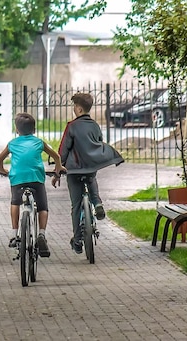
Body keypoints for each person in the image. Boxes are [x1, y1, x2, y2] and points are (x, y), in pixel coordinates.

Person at [54, 92, 124, 254]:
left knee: (76, 205)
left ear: (78, 109)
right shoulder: (95, 125)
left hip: (74, 170)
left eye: (74, 107)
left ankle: (77, 239)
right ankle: (97, 203)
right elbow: (98, 141)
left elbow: (63, 150)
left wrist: (58, 169)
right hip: (90, 167)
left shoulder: (71, 126)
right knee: (92, 180)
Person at [0, 113, 65, 258]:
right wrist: (58, 169)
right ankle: (41, 234)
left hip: (18, 179)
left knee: (15, 202)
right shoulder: (39, 142)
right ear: (34, 130)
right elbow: (56, 157)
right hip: (36, 179)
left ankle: (14, 234)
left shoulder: (12, 144)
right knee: (42, 206)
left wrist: (2, 170)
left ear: (17, 130)